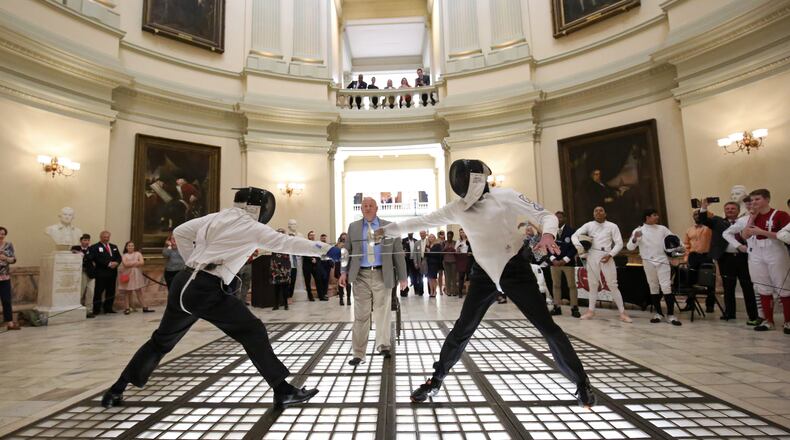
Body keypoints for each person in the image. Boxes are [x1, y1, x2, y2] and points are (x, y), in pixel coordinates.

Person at [375, 159, 594, 407]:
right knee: (462, 329)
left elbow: (545, 215)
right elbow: (422, 221)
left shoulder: (506, 196)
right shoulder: (457, 208)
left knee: (547, 328)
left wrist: (547, 235)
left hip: (514, 269)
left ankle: (581, 383)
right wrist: (388, 230)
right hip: (484, 274)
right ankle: (435, 381)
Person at [100, 187, 340, 409]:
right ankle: (283, 390)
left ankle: (116, 390)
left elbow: (180, 232)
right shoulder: (251, 227)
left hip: (184, 283)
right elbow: (285, 242)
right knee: (253, 330)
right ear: (256, 208)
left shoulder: (215, 217)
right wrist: (325, 249)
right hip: (204, 289)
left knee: (160, 342)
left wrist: (194, 262)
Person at [338, 197, 408, 366]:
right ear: (361, 209)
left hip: (381, 274)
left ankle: (383, 345)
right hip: (360, 275)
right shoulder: (353, 227)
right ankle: (359, 354)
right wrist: (342, 272)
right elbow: (346, 251)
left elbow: (398, 253)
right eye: (365, 206)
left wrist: (403, 276)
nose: (368, 208)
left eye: (371, 206)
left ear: (377, 208)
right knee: (361, 315)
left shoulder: (389, 227)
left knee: (382, 312)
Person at [725, 189, 790, 333]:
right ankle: (768, 321)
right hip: (756, 253)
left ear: (767, 200)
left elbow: (784, 236)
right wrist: (752, 218)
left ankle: (788, 321)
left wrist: (762, 232)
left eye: (757, 199)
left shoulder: (780, 214)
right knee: (762, 287)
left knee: (783, 287)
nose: (753, 203)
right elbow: (745, 236)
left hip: (775, 251)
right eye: (752, 200)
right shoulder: (751, 217)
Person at [699, 199, 758, 323]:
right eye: (727, 209)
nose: (730, 211)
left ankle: (753, 315)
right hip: (726, 258)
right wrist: (704, 207)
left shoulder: (745, 220)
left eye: (733, 209)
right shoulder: (717, 221)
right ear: (724, 211)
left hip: (744, 258)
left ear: (738, 210)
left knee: (747, 286)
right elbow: (703, 220)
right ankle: (729, 313)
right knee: (728, 287)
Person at [572, 206, 632, 323]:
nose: (598, 212)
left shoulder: (612, 226)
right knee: (593, 284)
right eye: (596, 211)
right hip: (592, 256)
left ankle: (622, 313)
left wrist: (610, 254)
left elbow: (619, 243)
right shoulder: (588, 225)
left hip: (606, 256)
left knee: (613, 285)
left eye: (601, 210)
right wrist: (580, 247)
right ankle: (591, 311)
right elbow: (574, 236)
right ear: (593, 214)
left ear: (605, 214)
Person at [626, 209, 682, 326]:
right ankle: (658, 314)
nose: (657, 217)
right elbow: (630, 247)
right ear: (647, 217)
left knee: (666, 286)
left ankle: (671, 315)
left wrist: (678, 250)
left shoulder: (662, 229)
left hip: (663, 262)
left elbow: (676, 241)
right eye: (654, 215)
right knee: (653, 287)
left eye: (657, 214)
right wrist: (635, 238)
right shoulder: (639, 230)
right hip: (648, 262)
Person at [682, 210, 715, 313]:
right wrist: (686, 259)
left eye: (699, 214)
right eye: (695, 214)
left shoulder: (709, 228)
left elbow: (711, 216)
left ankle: (710, 305)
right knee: (690, 281)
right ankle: (690, 304)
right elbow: (686, 245)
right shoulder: (689, 230)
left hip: (706, 256)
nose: (697, 216)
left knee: (709, 281)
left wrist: (704, 210)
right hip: (693, 256)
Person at [549, 211, 580, 317]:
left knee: (571, 285)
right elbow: (548, 246)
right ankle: (556, 307)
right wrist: (553, 259)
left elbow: (573, 247)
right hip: (555, 263)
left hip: (568, 263)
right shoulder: (551, 232)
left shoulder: (571, 231)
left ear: (564, 219)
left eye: (560, 217)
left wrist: (565, 260)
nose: (558, 219)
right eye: (556, 218)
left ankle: (574, 308)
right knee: (556, 285)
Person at [88, 231, 122, 315]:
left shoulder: (114, 246)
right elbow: (96, 258)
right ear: (100, 237)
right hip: (101, 273)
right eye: (104, 237)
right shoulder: (94, 247)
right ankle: (97, 309)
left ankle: (108, 308)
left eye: (107, 237)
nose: (106, 238)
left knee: (111, 291)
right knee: (98, 292)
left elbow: (119, 257)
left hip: (112, 273)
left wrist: (117, 263)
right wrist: (109, 263)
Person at [118, 241, 153, 315]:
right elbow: (125, 264)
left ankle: (145, 307)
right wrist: (136, 262)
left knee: (139, 291)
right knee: (127, 292)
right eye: (129, 246)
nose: (131, 247)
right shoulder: (125, 255)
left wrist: (131, 263)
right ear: (126, 247)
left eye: (132, 245)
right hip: (128, 275)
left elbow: (142, 262)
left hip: (136, 275)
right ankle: (127, 308)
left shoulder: (138, 254)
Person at [71, 233, 96, 318]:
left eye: (88, 240)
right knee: (80, 292)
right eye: (85, 240)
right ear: (81, 241)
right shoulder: (75, 248)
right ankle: (77, 309)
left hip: (91, 273)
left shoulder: (92, 248)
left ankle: (89, 311)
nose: (86, 242)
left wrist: (81, 254)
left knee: (91, 292)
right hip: (81, 272)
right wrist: (83, 255)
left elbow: (90, 257)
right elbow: (72, 256)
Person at [0, 226, 19, 330]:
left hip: (4, 277)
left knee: (6, 300)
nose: (1, 235)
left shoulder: (8, 245)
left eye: (3, 234)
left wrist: (6, 258)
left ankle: (10, 323)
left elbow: (14, 259)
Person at [271, 228, 292, 311]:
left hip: (285, 269)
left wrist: (288, 270)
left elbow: (288, 257)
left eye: (282, 233)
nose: (280, 235)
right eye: (278, 233)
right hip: (276, 269)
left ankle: (286, 304)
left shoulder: (286, 243)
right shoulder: (273, 243)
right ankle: (276, 304)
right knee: (276, 288)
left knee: (285, 289)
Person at [334, 234, 351, 306]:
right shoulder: (337, 245)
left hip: (348, 265)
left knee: (348, 283)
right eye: (342, 238)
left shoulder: (350, 244)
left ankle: (348, 299)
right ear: (340, 238)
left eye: (345, 237)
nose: (344, 239)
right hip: (339, 265)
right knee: (340, 283)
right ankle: (341, 299)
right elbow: (335, 254)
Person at [455, 228, 472, 298]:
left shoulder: (470, 240)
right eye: (461, 232)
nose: (462, 233)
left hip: (469, 259)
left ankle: (469, 292)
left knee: (469, 276)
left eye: (463, 232)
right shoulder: (458, 241)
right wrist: (458, 248)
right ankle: (460, 293)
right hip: (461, 259)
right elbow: (455, 250)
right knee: (461, 276)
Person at [443, 231, 458, 296]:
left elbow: (457, 251)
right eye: (448, 236)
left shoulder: (455, 242)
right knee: (447, 277)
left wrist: (453, 249)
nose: (449, 237)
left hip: (454, 261)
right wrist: (445, 248)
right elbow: (441, 252)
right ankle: (448, 291)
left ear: (452, 236)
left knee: (454, 277)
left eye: (450, 236)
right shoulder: (444, 242)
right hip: (446, 261)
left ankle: (454, 291)